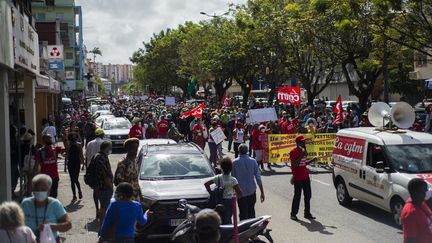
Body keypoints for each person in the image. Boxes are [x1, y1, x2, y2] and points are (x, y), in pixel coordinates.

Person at [21, 174, 72, 242]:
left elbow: (68, 225)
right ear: (33, 190)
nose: (39, 192)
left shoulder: (55, 204)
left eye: (43, 190)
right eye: (37, 189)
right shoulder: (25, 204)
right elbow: (15, 224)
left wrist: (51, 227)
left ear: (48, 191)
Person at [231, 144, 265, 220]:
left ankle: (244, 230)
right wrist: (262, 192)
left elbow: (233, 179)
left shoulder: (234, 162)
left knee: (243, 214)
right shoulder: (253, 161)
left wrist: (233, 193)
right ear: (247, 151)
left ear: (238, 151)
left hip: (240, 193)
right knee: (251, 212)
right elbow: (258, 178)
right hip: (251, 191)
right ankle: (252, 229)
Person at [204, 157, 242, 224]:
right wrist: (236, 197)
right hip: (229, 201)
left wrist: (211, 193)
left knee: (219, 217)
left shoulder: (218, 177)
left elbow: (206, 184)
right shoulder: (233, 180)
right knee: (227, 218)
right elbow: (240, 193)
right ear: (231, 168)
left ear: (221, 167)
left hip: (219, 200)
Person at [289, 135, 317, 221]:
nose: (304, 142)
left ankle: (307, 213)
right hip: (297, 177)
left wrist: (312, 160)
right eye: (302, 141)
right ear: (297, 143)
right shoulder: (293, 152)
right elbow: (294, 164)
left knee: (308, 195)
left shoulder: (303, 150)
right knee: (297, 196)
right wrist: (301, 155)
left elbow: (303, 163)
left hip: (305, 176)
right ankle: (293, 214)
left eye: (304, 141)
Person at [401, 178, 432, 243]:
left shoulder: (420, 202)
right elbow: (411, 240)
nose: (426, 192)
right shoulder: (410, 214)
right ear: (417, 192)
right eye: (424, 191)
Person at [35, 134, 65, 198]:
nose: (49, 140)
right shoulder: (40, 151)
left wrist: (65, 139)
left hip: (54, 176)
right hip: (44, 177)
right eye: (47, 138)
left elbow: (66, 149)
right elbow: (36, 165)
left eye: (50, 138)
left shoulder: (55, 149)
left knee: (53, 195)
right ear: (43, 140)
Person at [93, 141, 114, 222]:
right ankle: (103, 224)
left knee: (104, 206)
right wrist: (110, 185)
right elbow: (104, 174)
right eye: (110, 147)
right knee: (104, 206)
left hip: (100, 186)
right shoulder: (102, 158)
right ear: (105, 148)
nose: (111, 149)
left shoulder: (98, 156)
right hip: (104, 187)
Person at [66, 132, 83, 202]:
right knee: (72, 180)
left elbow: (81, 154)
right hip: (70, 163)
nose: (73, 138)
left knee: (75, 179)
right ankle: (74, 195)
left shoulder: (79, 145)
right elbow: (67, 155)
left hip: (77, 163)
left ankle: (79, 191)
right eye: (72, 136)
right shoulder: (68, 145)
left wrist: (83, 164)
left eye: (74, 136)